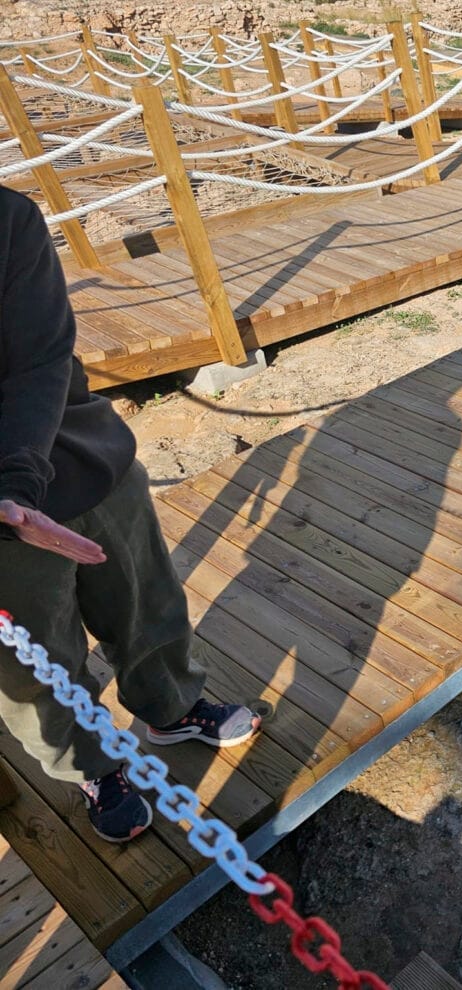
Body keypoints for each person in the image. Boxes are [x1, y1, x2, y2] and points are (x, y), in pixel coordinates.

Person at [0, 185, 260, 843]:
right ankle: (91, 764)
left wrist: (17, 483)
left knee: (144, 601)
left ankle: (169, 704)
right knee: (35, 666)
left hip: (77, 453)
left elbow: (39, 358)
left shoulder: (8, 217)